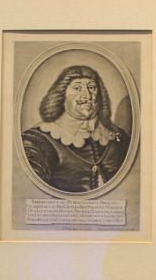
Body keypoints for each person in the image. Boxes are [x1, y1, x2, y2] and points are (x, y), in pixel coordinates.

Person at [21, 65, 130, 194]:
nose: (87, 95)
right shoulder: (36, 142)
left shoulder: (117, 137)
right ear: (62, 95)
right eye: (77, 88)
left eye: (92, 88)